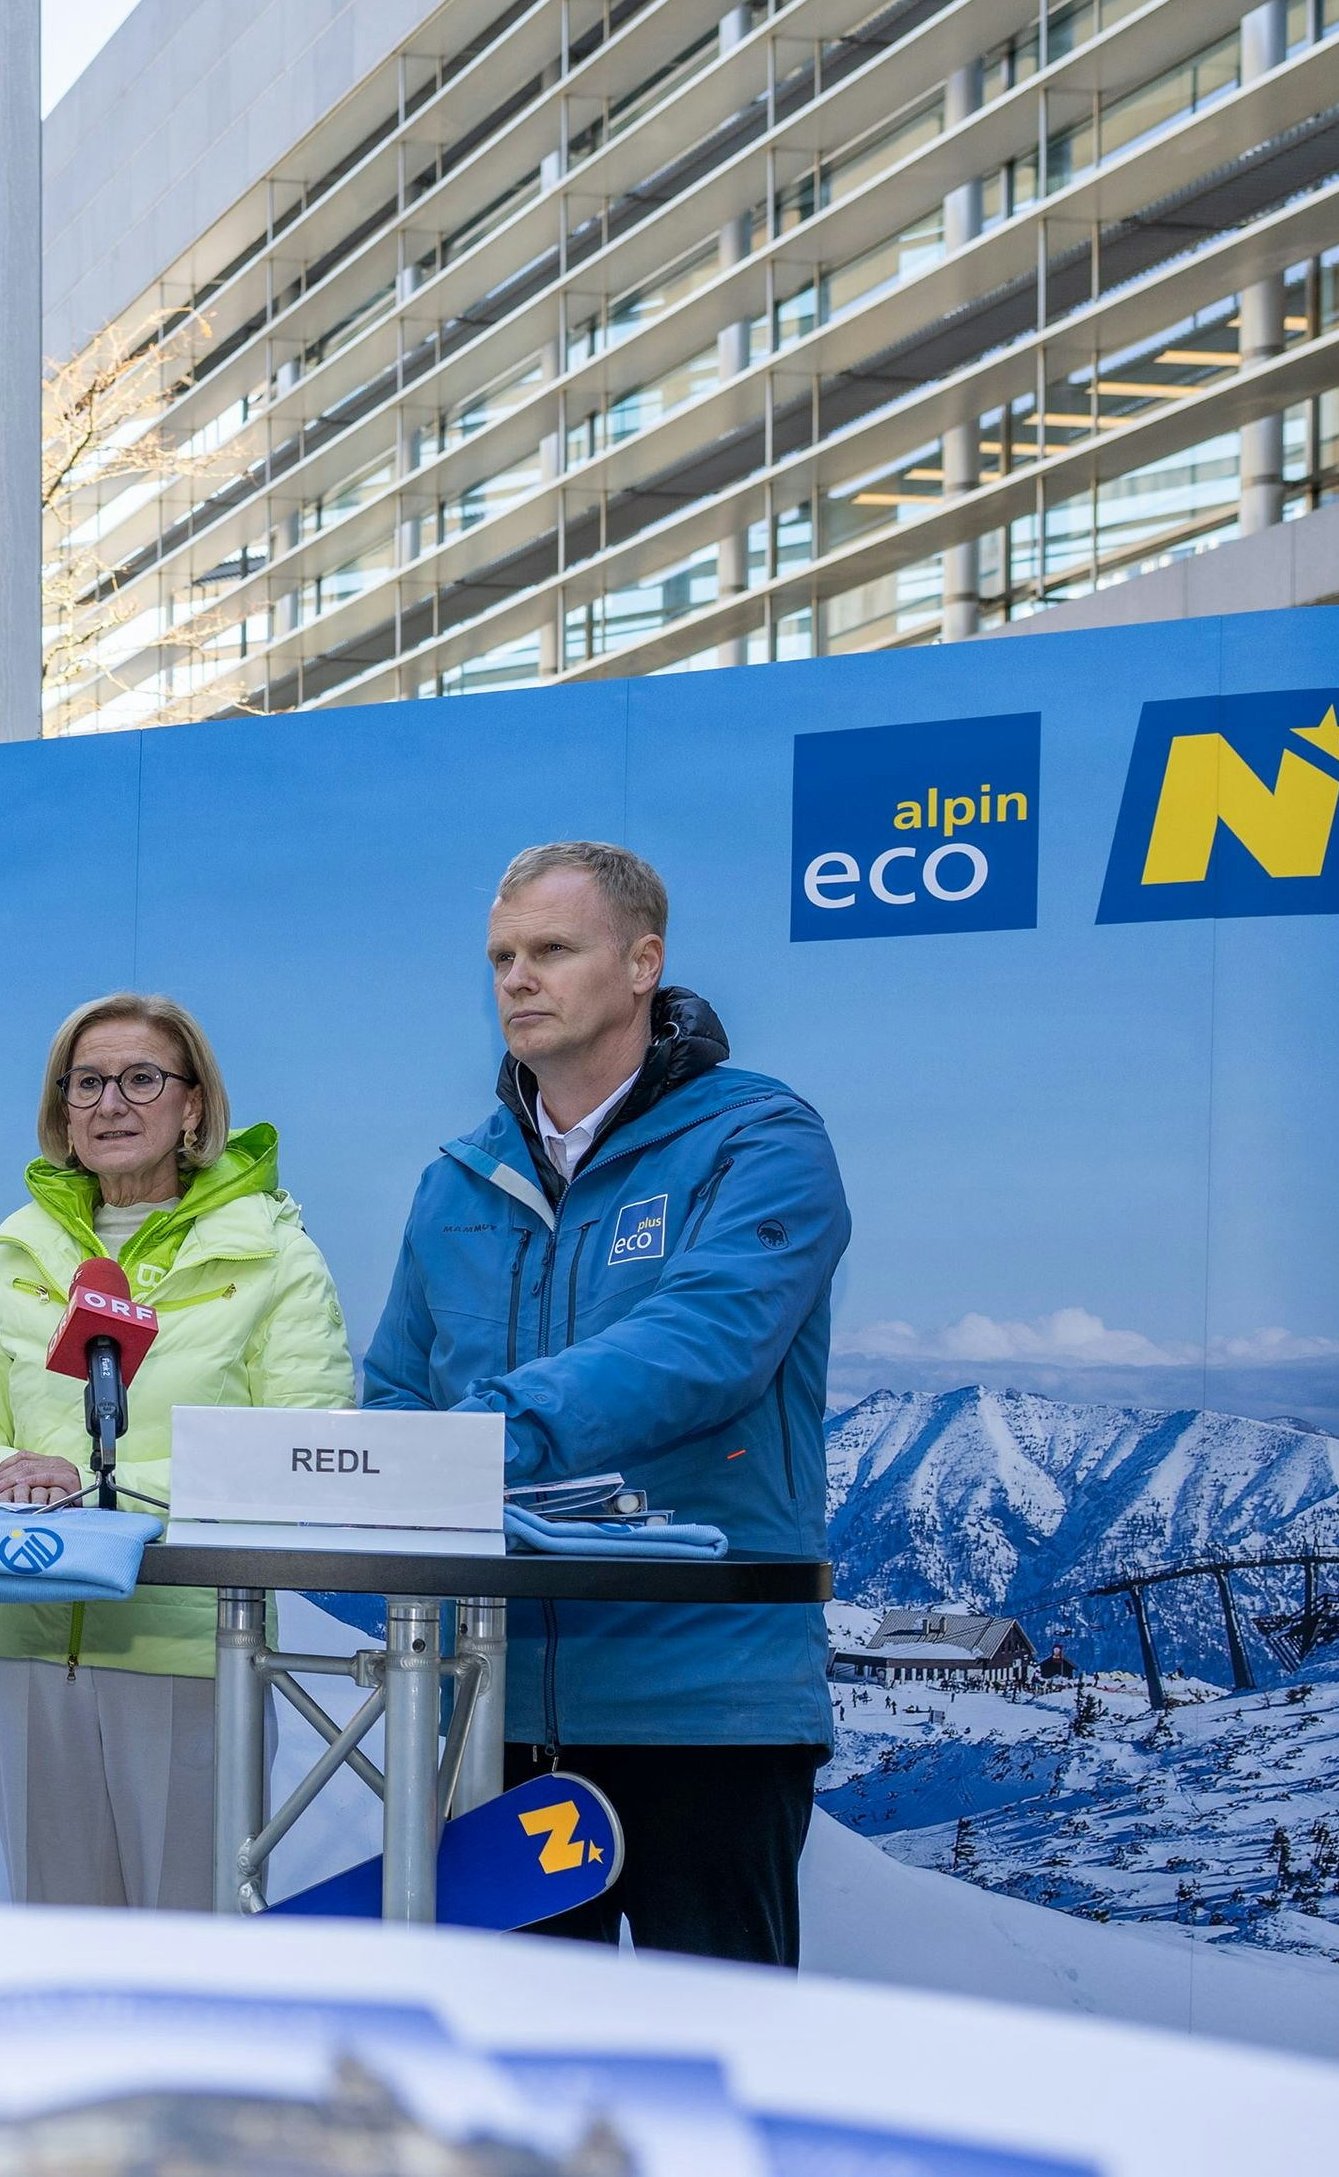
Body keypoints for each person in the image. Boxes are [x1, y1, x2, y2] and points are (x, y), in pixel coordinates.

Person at [363, 840, 849, 1966]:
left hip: (703, 1702)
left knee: (711, 2049)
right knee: (507, 2054)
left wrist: (489, 1438)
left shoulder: (758, 1139)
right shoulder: (456, 1178)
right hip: (492, 1708)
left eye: (551, 950)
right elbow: (397, 1391)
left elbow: (709, 1342)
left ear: (642, 965)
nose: (517, 979)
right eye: (500, 958)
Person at [0, 992, 353, 1910]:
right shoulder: (15, 1254)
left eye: (141, 1079)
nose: (111, 1104)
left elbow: (302, 1451)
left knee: (185, 1948)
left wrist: (102, 1491)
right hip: (27, 1635)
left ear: (193, 1104)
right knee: (57, 1946)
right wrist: (8, 1479)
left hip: (192, 1645)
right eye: (86, 1083)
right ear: (61, 1109)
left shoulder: (274, 1255)